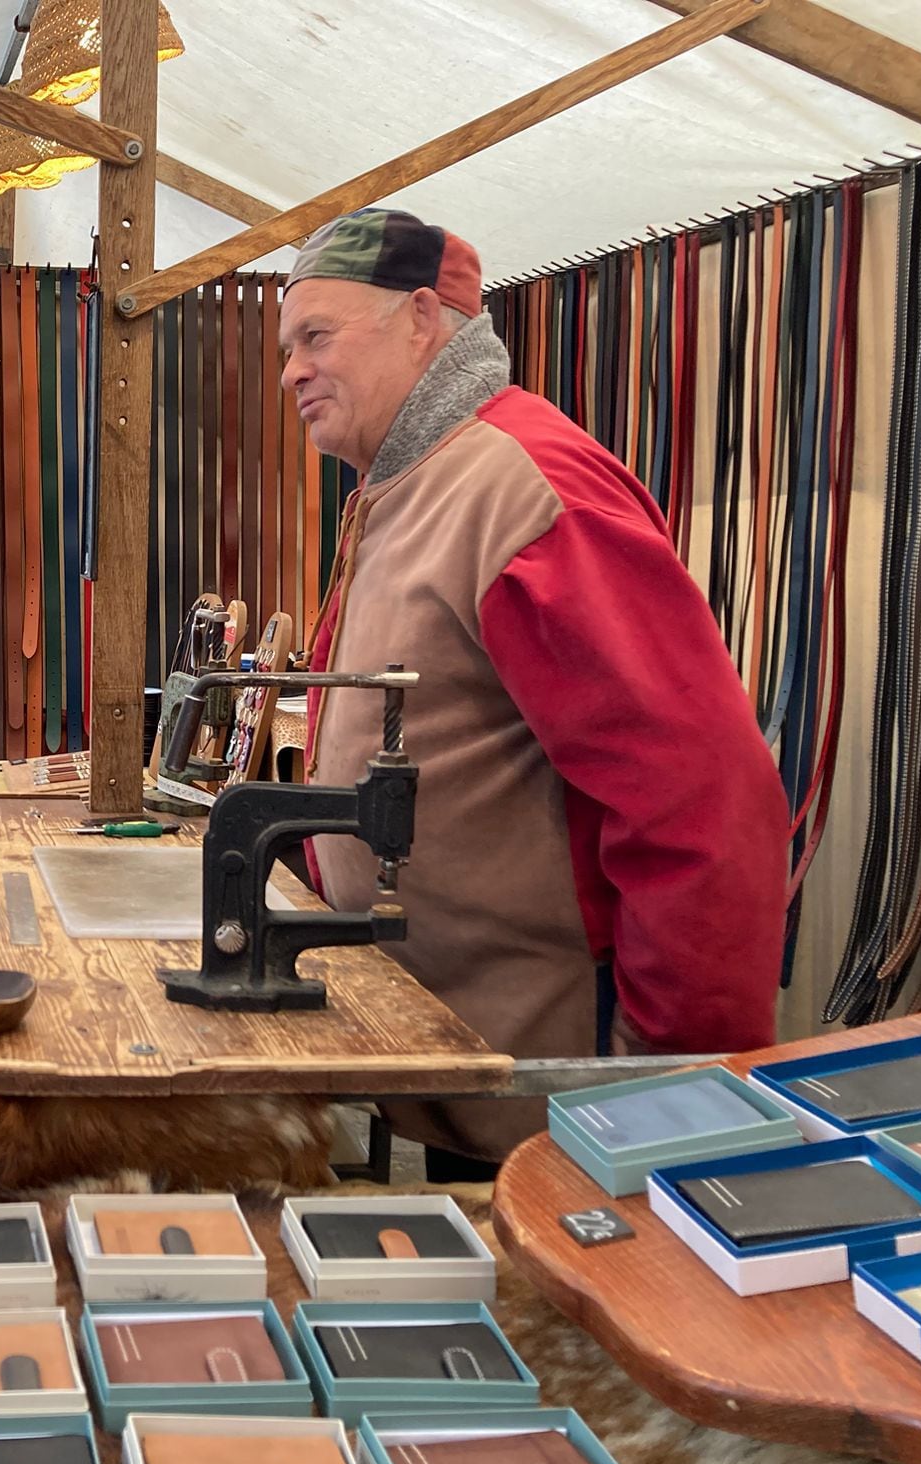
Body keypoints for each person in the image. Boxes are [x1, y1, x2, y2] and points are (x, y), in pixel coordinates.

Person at [281, 207, 787, 1179]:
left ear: (421, 320)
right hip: (459, 1054)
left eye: (316, 336)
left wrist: (671, 1091)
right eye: (286, 346)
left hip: (557, 1089)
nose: (290, 371)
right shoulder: (409, 485)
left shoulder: (523, 491)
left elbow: (702, 802)